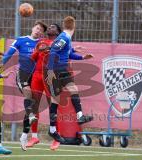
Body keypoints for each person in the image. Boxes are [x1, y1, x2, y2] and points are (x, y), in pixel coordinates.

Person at [28, 23, 94, 150]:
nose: (51, 27)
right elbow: (33, 58)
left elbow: (66, 53)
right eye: (50, 26)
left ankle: (56, 134)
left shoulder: (62, 41)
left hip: (55, 73)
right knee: (37, 105)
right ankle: (34, 136)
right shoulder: (42, 42)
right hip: (44, 74)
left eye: (54, 27)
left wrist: (79, 55)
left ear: (59, 32)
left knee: (55, 102)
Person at [46, 16, 93, 145]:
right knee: (56, 98)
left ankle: (79, 117)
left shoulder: (66, 38)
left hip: (62, 70)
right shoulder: (64, 37)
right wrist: (50, 71)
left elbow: (67, 54)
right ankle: (53, 129)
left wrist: (82, 57)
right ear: (74, 27)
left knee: (71, 90)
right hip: (56, 70)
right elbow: (53, 51)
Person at [2, 21, 47, 151]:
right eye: (37, 28)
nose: (38, 31)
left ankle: (23, 135)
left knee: (33, 105)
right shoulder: (21, 40)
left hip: (37, 76)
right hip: (22, 73)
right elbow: (8, 55)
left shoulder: (42, 43)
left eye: (41, 30)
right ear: (33, 27)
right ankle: (31, 116)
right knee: (27, 93)